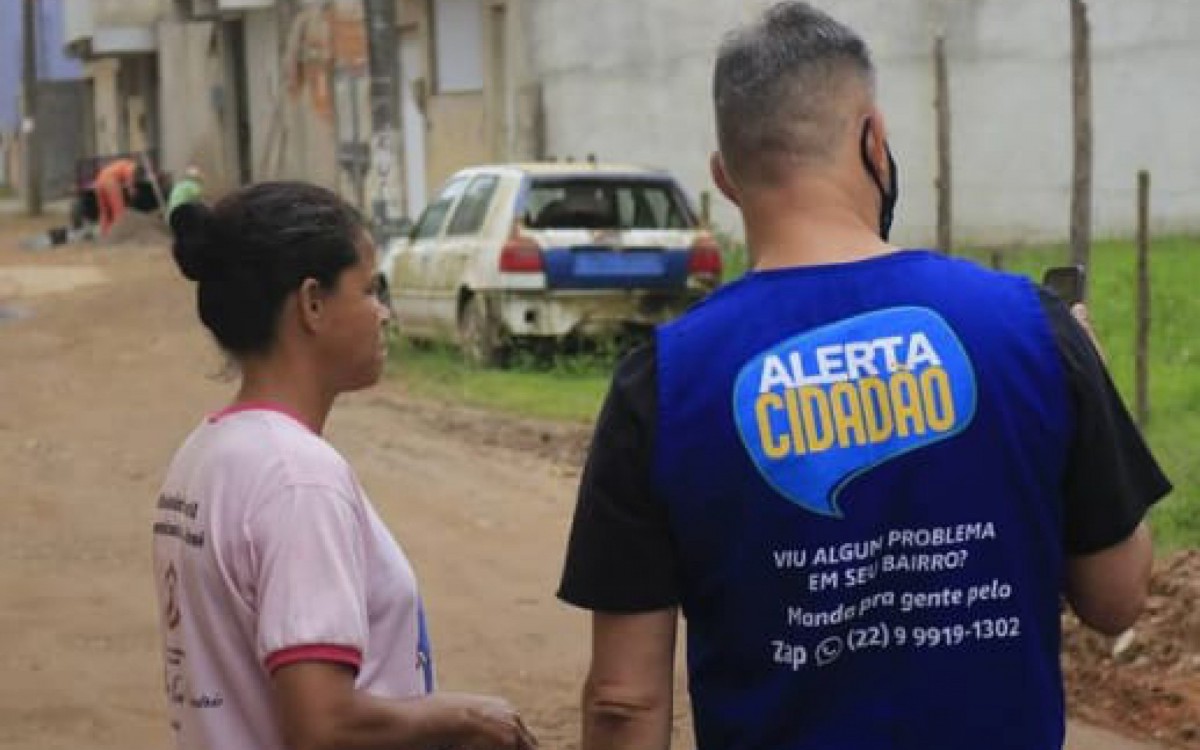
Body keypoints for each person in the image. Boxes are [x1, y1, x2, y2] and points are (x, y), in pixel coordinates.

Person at [557, 4, 1170, 750]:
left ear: (725, 177)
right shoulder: (1033, 329)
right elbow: (1117, 598)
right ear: (875, 140)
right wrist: (1091, 378)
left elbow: (623, 700)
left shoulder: (660, 384)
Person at [154, 181, 538, 750]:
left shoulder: (203, 454)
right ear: (312, 303)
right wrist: (469, 718)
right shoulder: (298, 479)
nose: (384, 313)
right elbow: (323, 725)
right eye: (368, 290)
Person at [93, 157, 138, 236]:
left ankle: (104, 234)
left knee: (104, 211)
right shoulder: (132, 165)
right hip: (110, 181)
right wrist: (131, 189)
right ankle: (119, 234)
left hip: (99, 180)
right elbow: (129, 175)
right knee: (118, 210)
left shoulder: (120, 163)